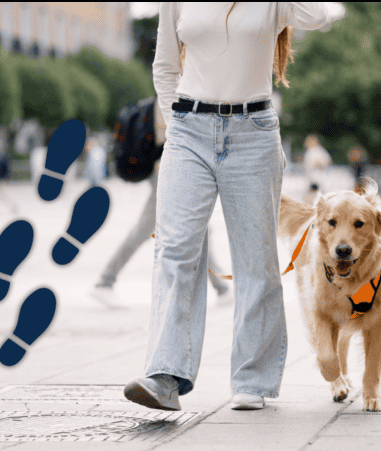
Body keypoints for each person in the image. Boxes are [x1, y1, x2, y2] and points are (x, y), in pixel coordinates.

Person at [123, 2, 329, 412]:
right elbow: (165, 65)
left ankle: (253, 378)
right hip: (188, 131)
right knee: (175, 247)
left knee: (256, 259)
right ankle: (165, 374)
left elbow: (317, 15)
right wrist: (176, 123)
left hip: (253, 133)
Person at [90, 102, 232, 309]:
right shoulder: (174, 94)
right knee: (158, 228)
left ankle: (222, 289)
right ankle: (105, 281)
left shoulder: (169, 93)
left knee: (197, 227)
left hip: (168, 170)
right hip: (167, 171)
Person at [302, 134, 331, 199]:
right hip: (312, 178)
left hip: (318, 178)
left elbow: (326, 161)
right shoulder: (310, 151)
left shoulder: (319, 151)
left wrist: (317, 164)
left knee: (314, 196)